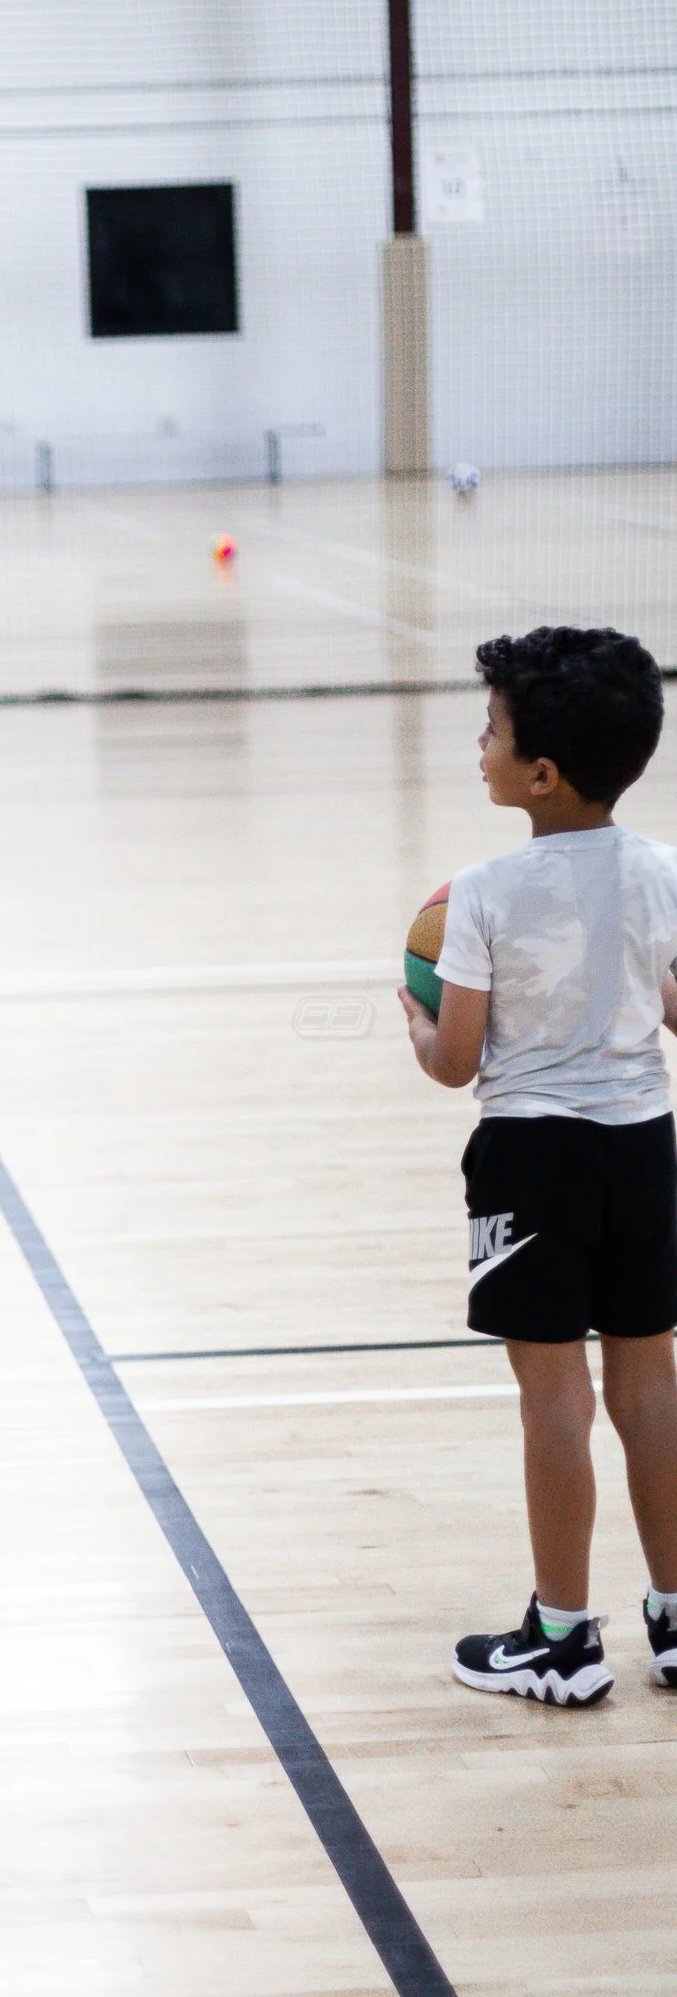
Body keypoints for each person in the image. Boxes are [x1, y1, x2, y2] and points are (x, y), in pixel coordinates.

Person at [401, 626, 677, 1703]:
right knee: (649, 1385)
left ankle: (563, 1636)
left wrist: (412, 1027)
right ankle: (672, 1616)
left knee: (553, 1394)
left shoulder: (479, 892)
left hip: (532, 1159)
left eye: (493, 730)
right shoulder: (664, 872)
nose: (481, 744)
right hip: (644, 1148)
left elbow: (456, 1059)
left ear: (542, 773)